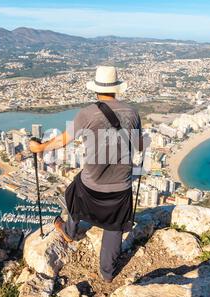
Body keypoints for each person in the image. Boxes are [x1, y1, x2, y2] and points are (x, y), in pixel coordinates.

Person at [29, 66, 144, 283]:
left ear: (96, 89)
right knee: (114, 226)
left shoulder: (87, 113)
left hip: (91, 186)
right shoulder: (132, 113)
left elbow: (62, 140)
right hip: (121, 186)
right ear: (117, 89)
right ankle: (107, 273)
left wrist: (38, 148)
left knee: (73, 191)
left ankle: (71, 231)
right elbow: (138, 146)